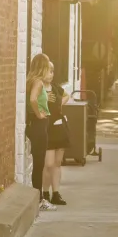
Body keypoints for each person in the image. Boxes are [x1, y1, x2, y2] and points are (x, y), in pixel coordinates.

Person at [26, 54, 54, 211]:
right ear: (42, 67)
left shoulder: (31, 81)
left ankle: (38, 197)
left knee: (38, 162)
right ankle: (39, 199)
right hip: (39, 125)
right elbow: (32, 100)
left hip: (35, 125)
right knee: (39, 163)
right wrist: (39, 114)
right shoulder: (38, 82)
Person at [44, 75, 70, 206]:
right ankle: (44, 193)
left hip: (59, 127)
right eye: (47, 70)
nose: (50, 74)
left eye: (52, 71)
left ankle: (55, 193)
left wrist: (59, 103)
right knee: (48, 164)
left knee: (57, 163)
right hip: (47, 129)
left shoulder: (56, 88)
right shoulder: (38, 88)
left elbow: (67, 95)